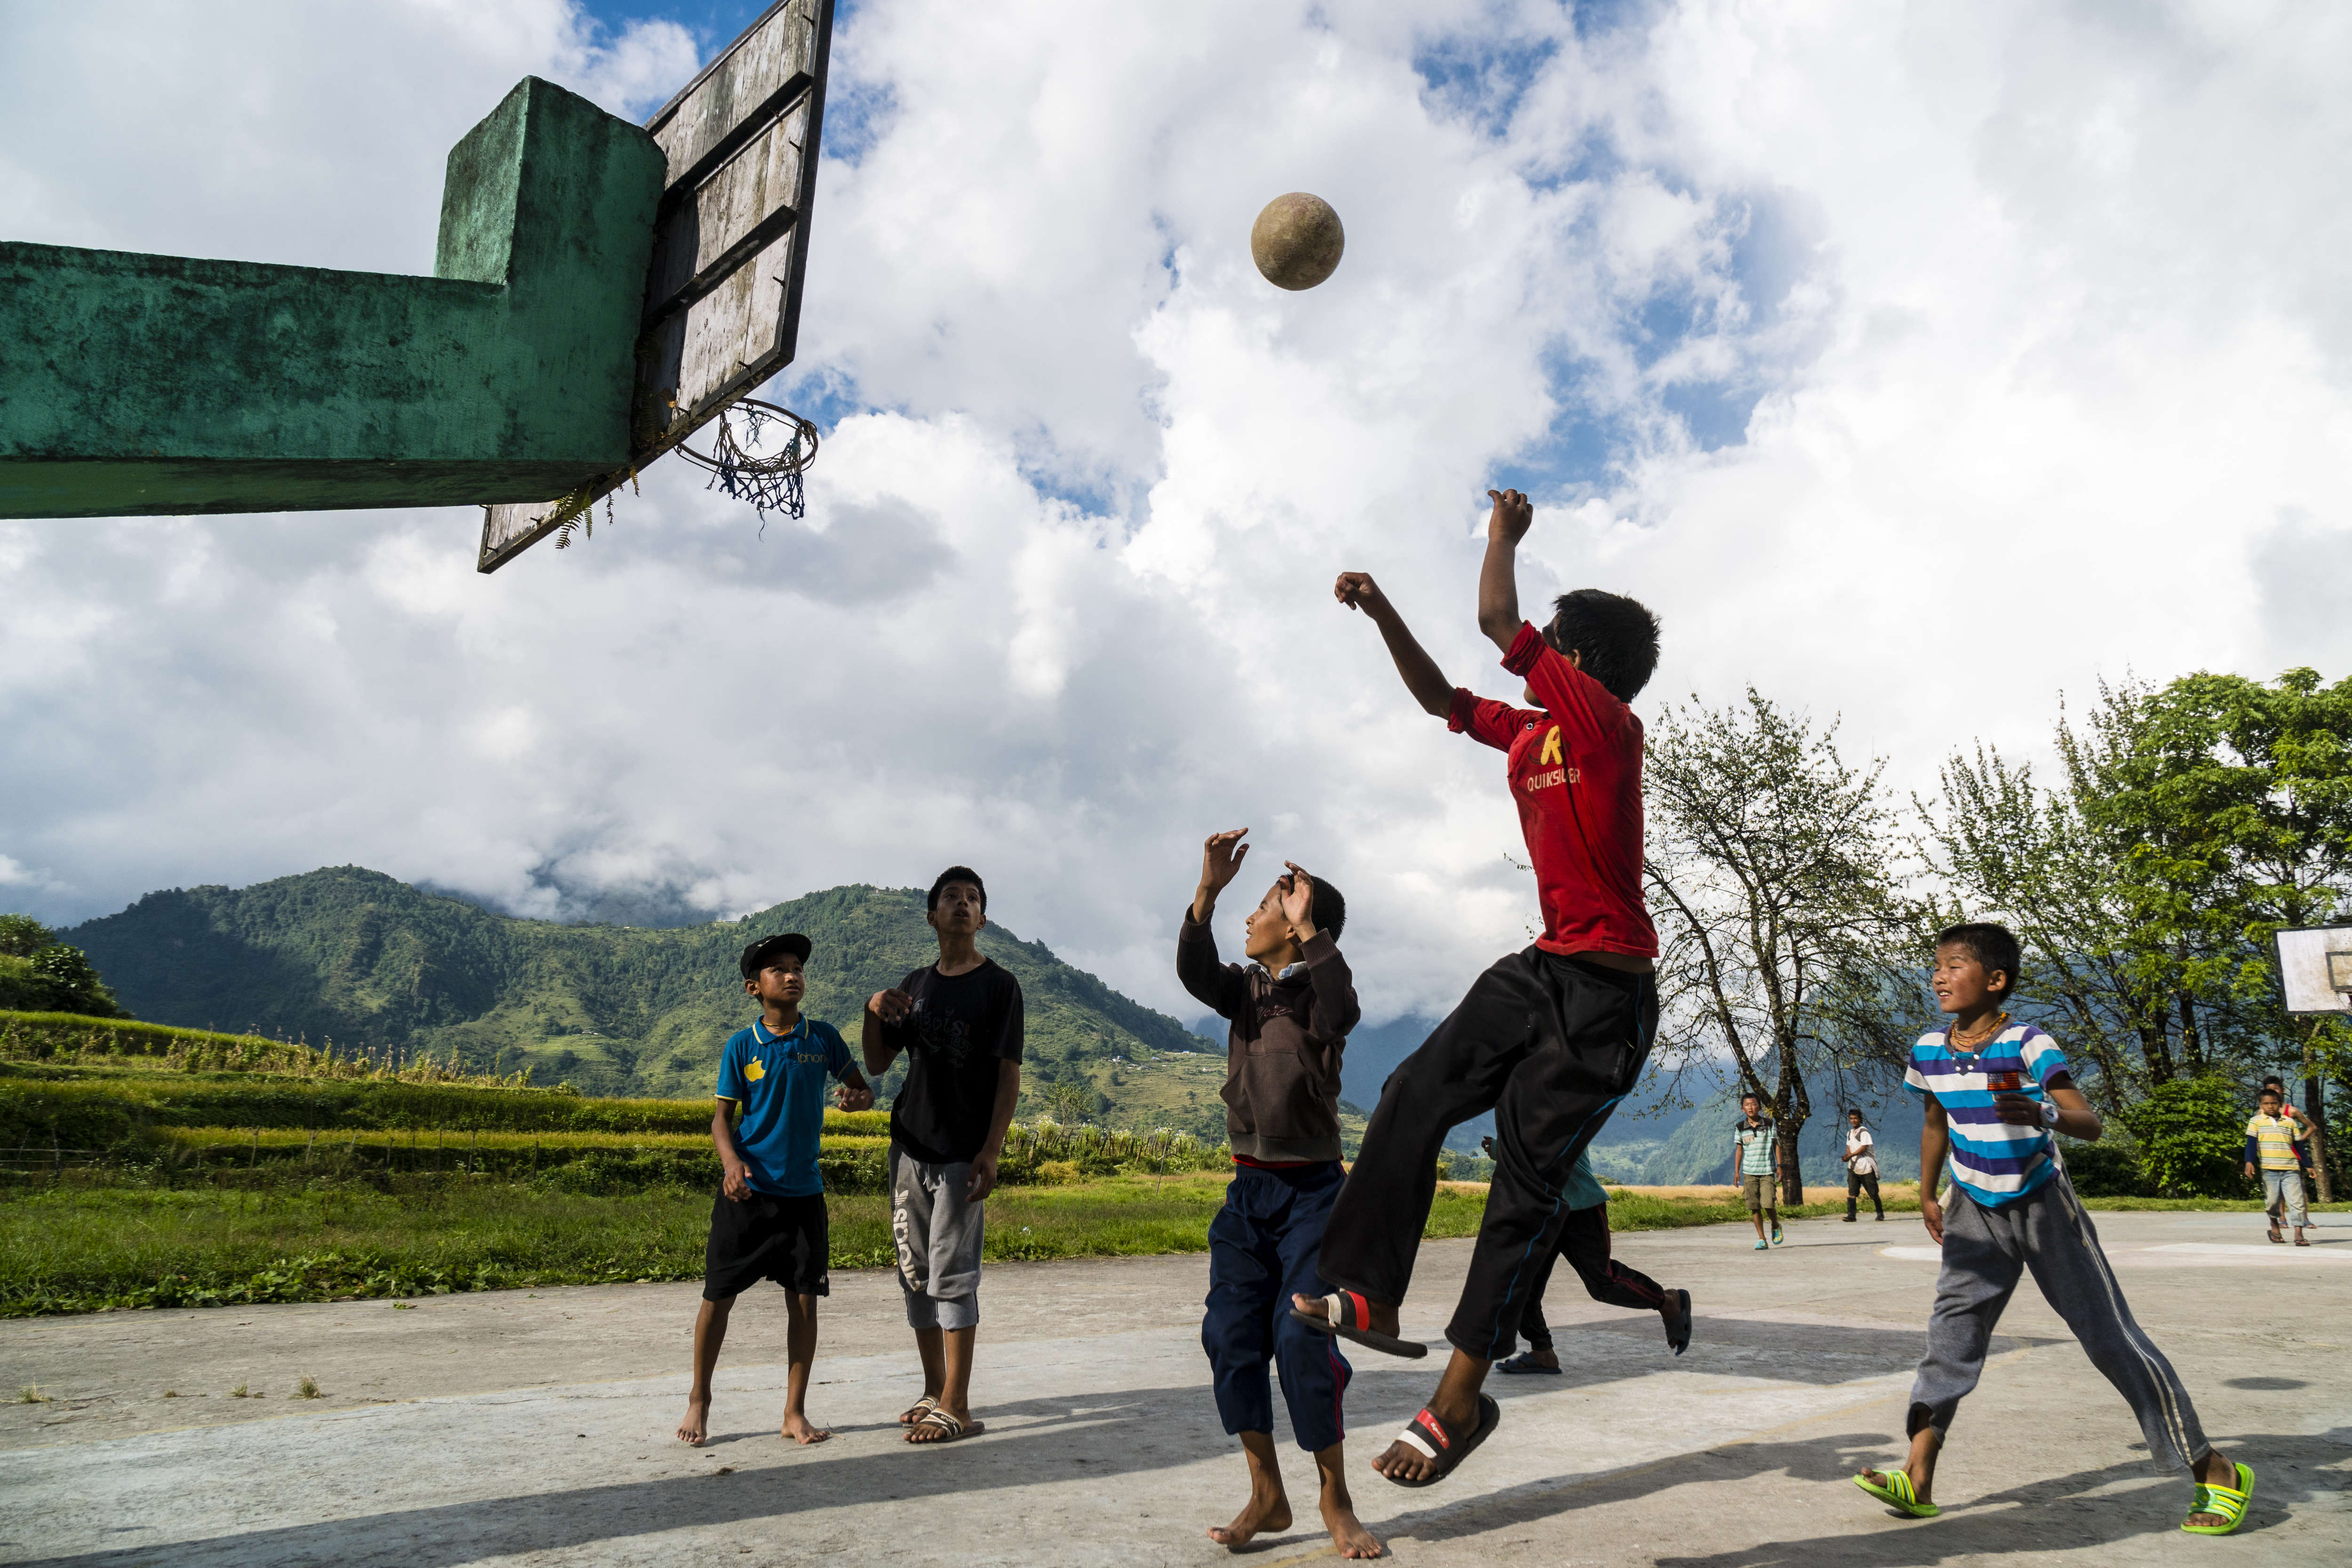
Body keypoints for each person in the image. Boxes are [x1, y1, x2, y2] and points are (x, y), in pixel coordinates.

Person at [1294, 487, 1661, 1489]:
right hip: (1540, 966)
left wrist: (1500, 534)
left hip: (1605, 996)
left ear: (1575, 663)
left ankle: (1459, 1400)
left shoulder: (1605, 725)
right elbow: (1441, 700)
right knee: (1413, 1091)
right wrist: (1381, 615)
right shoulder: (1533, 733)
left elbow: (1498, 621)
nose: (1530, 653)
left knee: (1524, 1188)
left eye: (1552, 647)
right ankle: (1365, 1291)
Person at [1854, 922, 2254, 1536]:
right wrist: (1927, 1192)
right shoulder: (1929, 1048)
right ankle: (1918, 1472)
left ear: (1995, 980)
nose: (1939, 975)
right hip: (1971, 1209)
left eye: (1954, 964)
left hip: (2043, 1207)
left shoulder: (2029, 1044)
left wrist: (2043, 1110)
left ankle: (2215, 1468)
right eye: (1935, 964)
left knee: (2109, 1338)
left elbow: (2085, 1121)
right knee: (1950, 1339)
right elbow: (1935, 1118)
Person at [1181, 830, 1381, 1560]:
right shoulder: (1244, 990)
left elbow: (1345, 1008)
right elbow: (1194, 968)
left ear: (1297, 923)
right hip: (1248, 1196)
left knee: (1302, 1332)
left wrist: (1310, 929)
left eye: (1265, 903)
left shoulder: (1319, 999)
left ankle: (1335, 1494)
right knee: (1229, 1336)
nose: (1252, 915)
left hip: (1314, 1198)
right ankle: (1267, 1491)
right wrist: (1208, 890)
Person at [677, 932, 874, 1448]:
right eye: (779, 970)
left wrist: (858, 1099)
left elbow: (862, 1090)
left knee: (805, 1301)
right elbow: (722, 1120)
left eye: (797, 968)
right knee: (717, 1297)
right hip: (748, 1193)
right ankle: (700, 1398)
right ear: (753, 987)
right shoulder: (742, 1046)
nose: (792, 975)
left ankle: (793, 1411)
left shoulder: (824, 1037)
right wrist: (731, 1164)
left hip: (804, 1194)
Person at [862, 867, 1024, 1445]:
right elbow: (880, 1064)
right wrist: (871, 1009)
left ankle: (957, 1404)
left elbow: (1009, 1074)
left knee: (953, 1276)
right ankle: (935, 1389)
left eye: (972, 898)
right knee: (914, 1275)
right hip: (910, 1145)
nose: (962, 904)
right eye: (950, 898)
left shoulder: (1000, 986)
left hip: (961, 1153)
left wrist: (991, 1149)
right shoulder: (916, 983)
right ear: (932, 916)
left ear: (982, 919)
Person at [1481, 1136, 1692, 1373]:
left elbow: (1549, 1149)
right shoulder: (1524, 1104)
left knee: (1602, 1282)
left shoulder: (1559, 1101)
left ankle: (1667, 1300)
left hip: (1579, 1207)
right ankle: (1542, 1352)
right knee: (1520, 1285)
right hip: (1539, 1210)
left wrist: (1503, 1149)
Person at [2246, 1087, 2315, 1247]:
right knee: (2272, 1202)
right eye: (2267, 1104)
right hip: (2269, 1169)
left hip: (2291, 1168)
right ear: (2261, 1105)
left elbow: (2299, 1146)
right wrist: (2249, 1162)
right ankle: (2274, 1225)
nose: (2271, 1107)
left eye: (2274, 1103)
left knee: (2297, 1202)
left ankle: (2299, 1233)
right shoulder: (2256, 1122)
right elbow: (2250, 1144)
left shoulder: (2290, 1122)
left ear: (2280, 1104)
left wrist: (2308, 1165)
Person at [1731, 1093, 1781, 1248]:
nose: (1751, 1107)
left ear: (1759, 1107)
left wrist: (1780, 1166)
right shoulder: (1740, 1128)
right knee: (1754, 1206)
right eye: (1747, 1105)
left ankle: (1775, 1225)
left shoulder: (1769, 1124)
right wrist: (1737, 1172)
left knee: (1768, 1204)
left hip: (1767, 1170)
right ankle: (1762, 1239)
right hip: (1750, 1172)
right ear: (1742, 1109)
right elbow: (1739, 1150)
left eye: (1753, 1104)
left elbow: (1776, 1145)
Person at [1842, 1108, 1884, 1222]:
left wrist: (1850, 1156)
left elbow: (1864, 1148)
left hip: (1866, 1166)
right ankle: (1852, 1215)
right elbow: (1849, 1147)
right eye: (1851, 1119)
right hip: (1853, 1167)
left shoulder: (1864, 1132)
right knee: (1852, 1192)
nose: (1853, 1121)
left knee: (1873, 1193)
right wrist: (1847, 1156)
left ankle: (1880, 1214)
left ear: (1860, 1119)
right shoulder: (1850, 1133)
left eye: (1855, 1118)